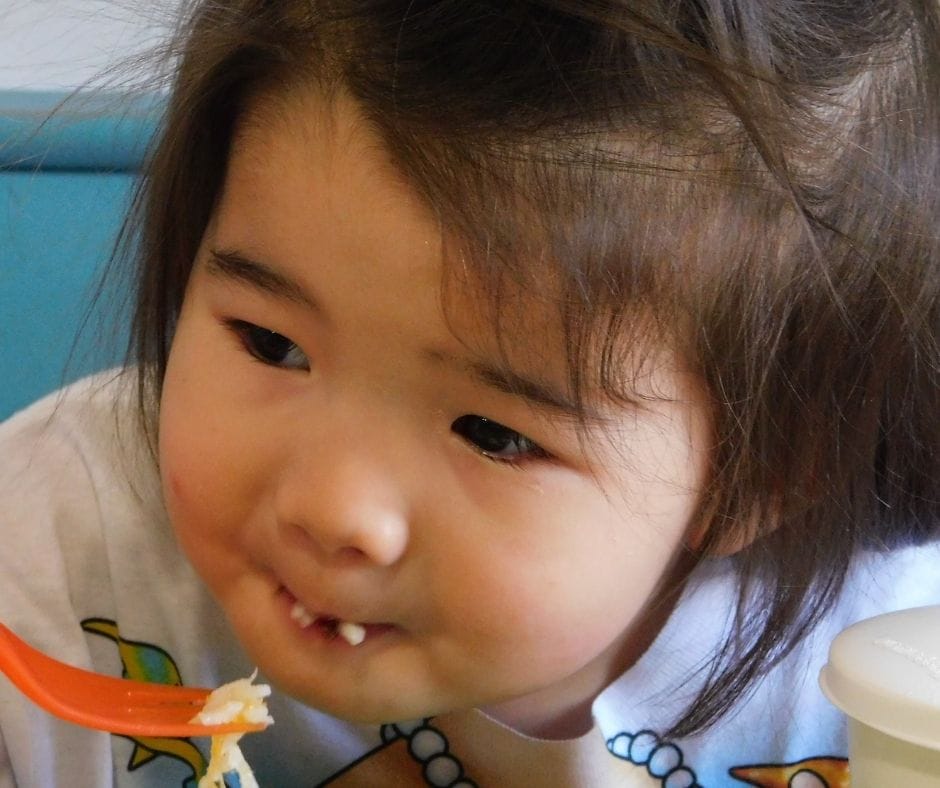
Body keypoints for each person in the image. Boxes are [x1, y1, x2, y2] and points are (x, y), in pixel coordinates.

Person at [1, 1, 938, 785]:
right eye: (272, 344)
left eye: (492, 432)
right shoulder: (58, 540)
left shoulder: (896, 663)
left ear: (764, 476)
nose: (333, 511)